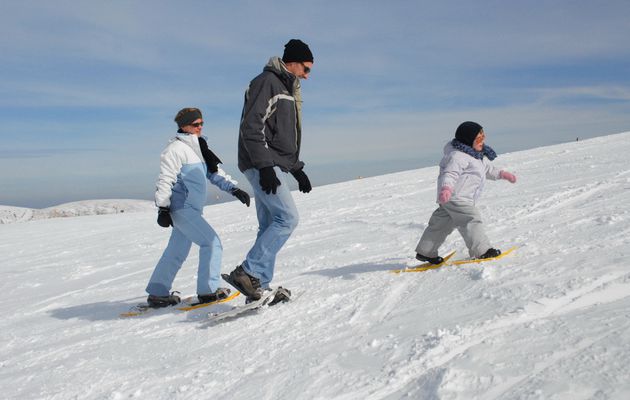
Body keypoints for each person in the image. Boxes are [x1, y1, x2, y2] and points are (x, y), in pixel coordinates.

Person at [224, 39, 314, 302]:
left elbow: (280, 137)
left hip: (271, 162)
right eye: (306, 69)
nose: (307, 76)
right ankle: (248, 272)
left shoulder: (286, 87)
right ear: (293, 62)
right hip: (261, 163)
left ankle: (258, 284)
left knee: (268, 224)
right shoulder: (267, 82)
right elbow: (252, 127)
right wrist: (265, 167)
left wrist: (296, 169)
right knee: (287, 219)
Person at [145, 107, 251, 308]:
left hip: (191, 209)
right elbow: (165, 180)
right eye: (195, 124)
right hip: (181, 208)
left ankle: (158, 293)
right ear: (183, 125)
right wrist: (163, 208)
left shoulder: (200, 148)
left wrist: (235, 190)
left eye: (201, 123)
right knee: (211, 243)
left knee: (176, 251)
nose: (200, 127)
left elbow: (213, 173)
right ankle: (208, 292)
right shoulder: (174, 150)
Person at [415, 121, 517, 264]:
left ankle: (425, 251)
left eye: (483, 137)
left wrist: (503, 174)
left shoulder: (477, 156)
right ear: (468, 140)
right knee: (471, 219)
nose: (482, 141)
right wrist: (446, 188)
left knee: (441, 223)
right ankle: (482, 251)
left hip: (452, 199)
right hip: (456, 196)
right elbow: (450, 174)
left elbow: (489, 170)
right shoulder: (457, 156)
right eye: (479, 139)